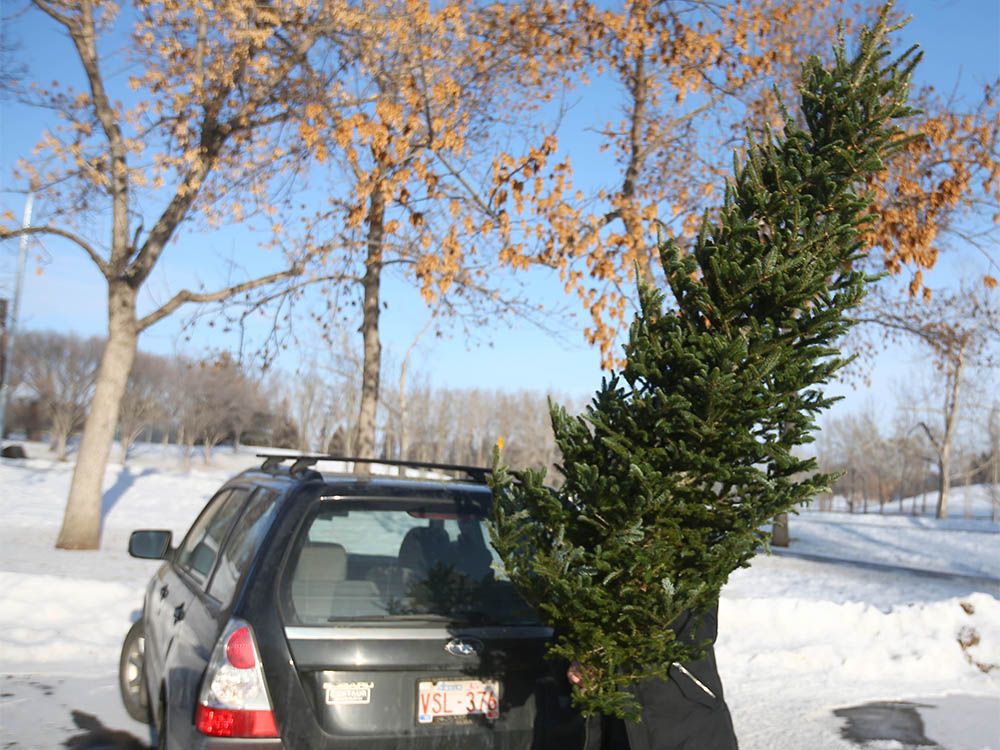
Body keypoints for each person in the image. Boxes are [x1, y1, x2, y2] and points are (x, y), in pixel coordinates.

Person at [568, 601, 738, 750]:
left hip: (685, 719)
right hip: (614, 723)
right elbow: (563, 623)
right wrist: (576, 658)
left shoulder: (692, 569)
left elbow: (699, 631)